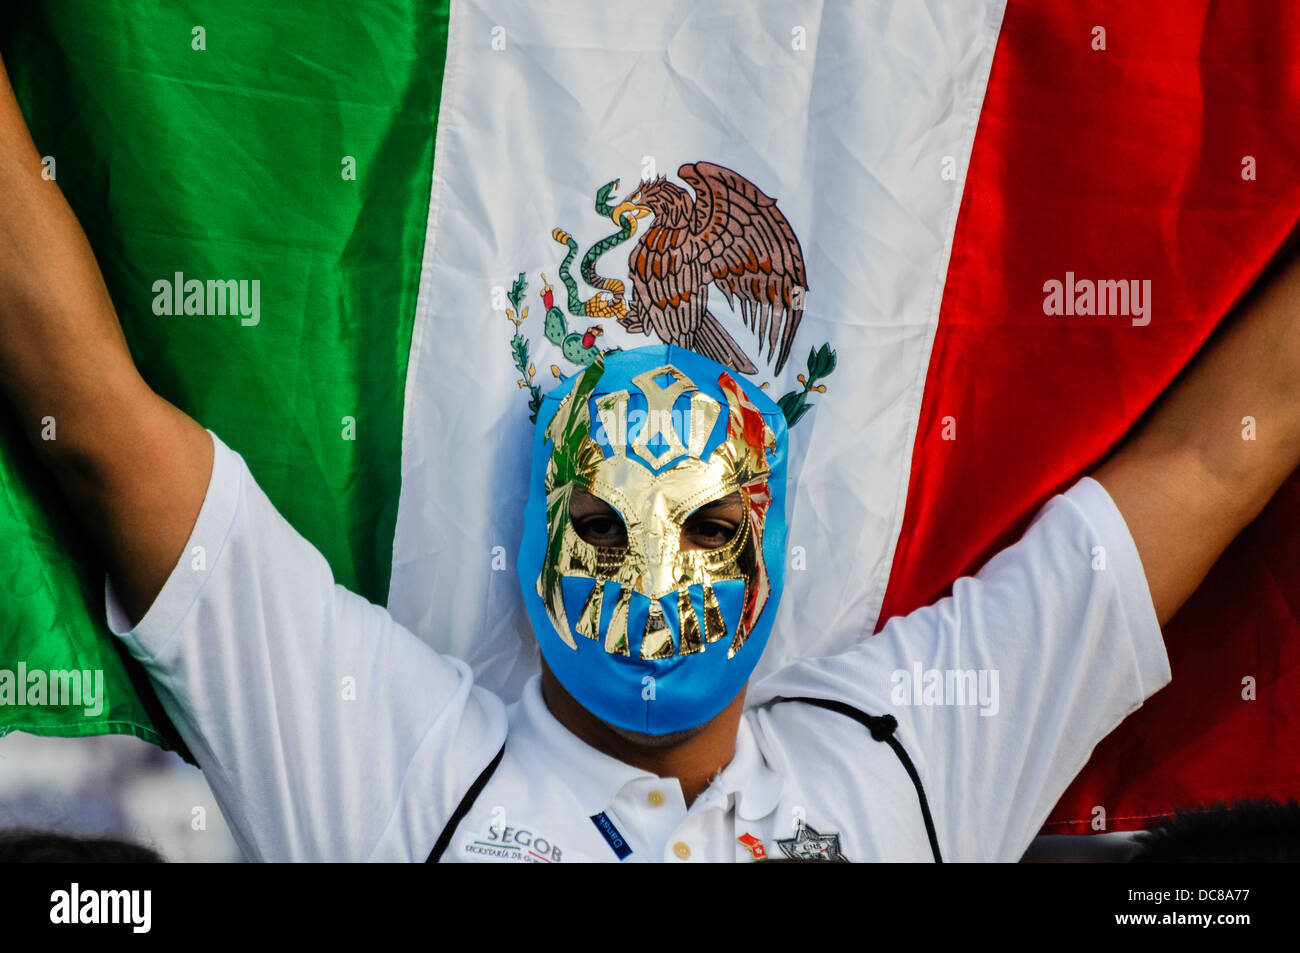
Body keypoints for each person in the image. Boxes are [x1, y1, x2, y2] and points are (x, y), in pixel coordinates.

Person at [3, 53, 1299, 863]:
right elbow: (100, 427)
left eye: (709, 521)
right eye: (605, 521)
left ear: (775, 536)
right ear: (534, 533)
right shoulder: (397, 773)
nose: (658, 568)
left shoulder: (909, 764)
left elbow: (1211, 463)